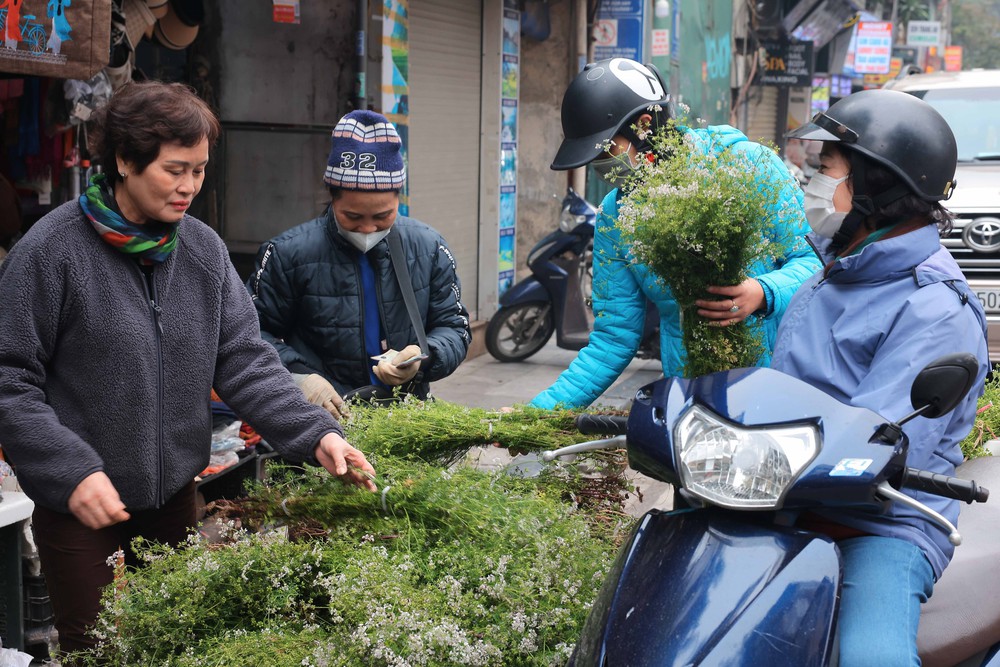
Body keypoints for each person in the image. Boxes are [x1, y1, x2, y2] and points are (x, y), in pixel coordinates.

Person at [0, 81, 376, 660]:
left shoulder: (200, 250)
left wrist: (316, 433)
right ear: (124, 160)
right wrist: (71, 469)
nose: (189, 187)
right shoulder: (51, 252)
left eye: (199, 171)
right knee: (97, 649)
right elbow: (10, 382)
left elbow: (245, 360)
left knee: (177, 639)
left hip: (173, 492)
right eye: (175, 169)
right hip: (79, 502)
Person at [774, 88, 989, 665]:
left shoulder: (934, 309)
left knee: (870, 655)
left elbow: (880, 438)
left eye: (826, 169)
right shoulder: (839, 266)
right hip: (787, 500)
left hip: (884, 520)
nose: (813, 182)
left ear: (878, 185)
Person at [530, 58, 820, 410]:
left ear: (644, 125)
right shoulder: (615, 216)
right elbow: (613, 339)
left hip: (772, 392)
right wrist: (536, 414)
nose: (600, 165)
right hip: (689, 406)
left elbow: (814, 265)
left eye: (606, 149)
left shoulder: (748, 166)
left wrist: (762, 292)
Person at [248, 109, 472, 418]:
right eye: (352, 217)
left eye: (382, 217)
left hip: (405, 421)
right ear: (332, 197)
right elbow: (251, 333)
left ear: (399, 197)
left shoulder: (428, 247)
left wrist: (422, 358)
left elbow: (454, 327)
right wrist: (299, 376)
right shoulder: (288, 254)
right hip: (321, 422)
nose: (368, 229)